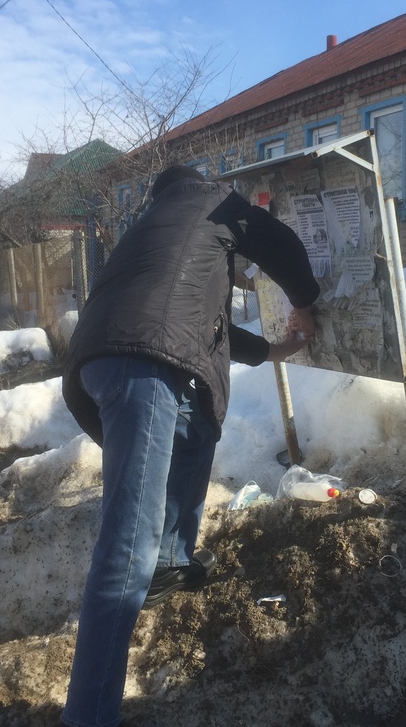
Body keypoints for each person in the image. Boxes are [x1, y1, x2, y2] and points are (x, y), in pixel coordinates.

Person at [59, 165, 320, 727]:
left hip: (102, 363)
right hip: (144, 366)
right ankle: (89, 716)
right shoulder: (217, 205)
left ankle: (171, 562)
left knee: (196, 427)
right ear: (200, 185)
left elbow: (209, 327)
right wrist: (305, 302)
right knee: (125, 546)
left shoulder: (154, 231)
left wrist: (275, 350)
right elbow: (280, 243)